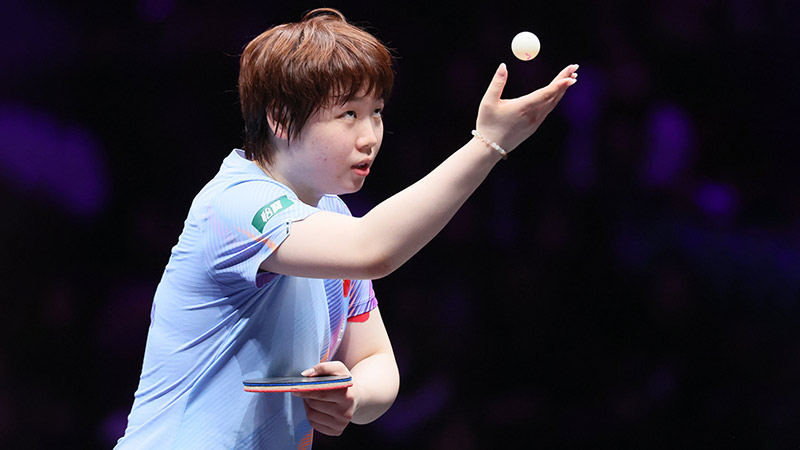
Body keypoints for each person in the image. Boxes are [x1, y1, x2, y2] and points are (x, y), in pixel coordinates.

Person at [115, 7, 578, 449]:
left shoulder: (333, 217)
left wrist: (352, 395)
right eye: (348, 114)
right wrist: (487, 144)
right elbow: (372, 250)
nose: (370, 136)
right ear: (280, 118)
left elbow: (377, 363)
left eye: (376, 111)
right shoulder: (235, 204)